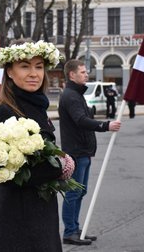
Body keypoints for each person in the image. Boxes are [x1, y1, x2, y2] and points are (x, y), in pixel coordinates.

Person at [0, 41, 73, 252]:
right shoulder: (3, 112)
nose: (34, 73)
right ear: (10, 72)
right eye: (25, 66)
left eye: (39, 66)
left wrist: (59, 159)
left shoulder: (37, 105)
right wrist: (61, 166)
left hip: (43, 213)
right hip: (17, 220)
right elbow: (8, 174)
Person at [59, 59, 121, 245]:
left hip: (83, 151)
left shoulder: (76, 94)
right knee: (73, 193)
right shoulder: (70, 96)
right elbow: (81, 120)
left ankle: (76, 229)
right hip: (76, 152)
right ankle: (70, 232)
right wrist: (105, 125)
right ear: (72, 75)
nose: (87, 74)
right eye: (83, 72)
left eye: (87, 72)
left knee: (80, 192)